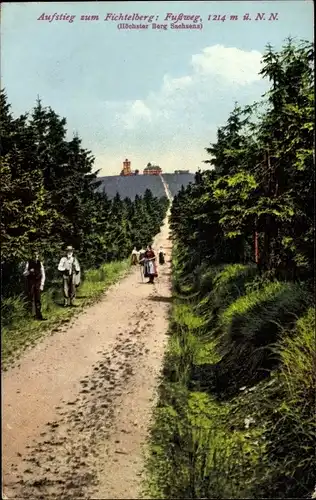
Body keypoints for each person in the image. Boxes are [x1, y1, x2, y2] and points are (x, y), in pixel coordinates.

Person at [23, 248, 46, 321]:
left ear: (38, 255)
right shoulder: (28, 263)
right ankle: (32, 316)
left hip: (38, 283)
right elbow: (24, 273)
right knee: (31, 299)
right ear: (32, 255)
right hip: (31, 283)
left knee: (38, 299)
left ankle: (39, 315)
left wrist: (42, 284)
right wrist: (29, 271)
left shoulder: (40, 263)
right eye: (34, 254)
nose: (36, 255)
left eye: (37, 254)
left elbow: (43, 274)